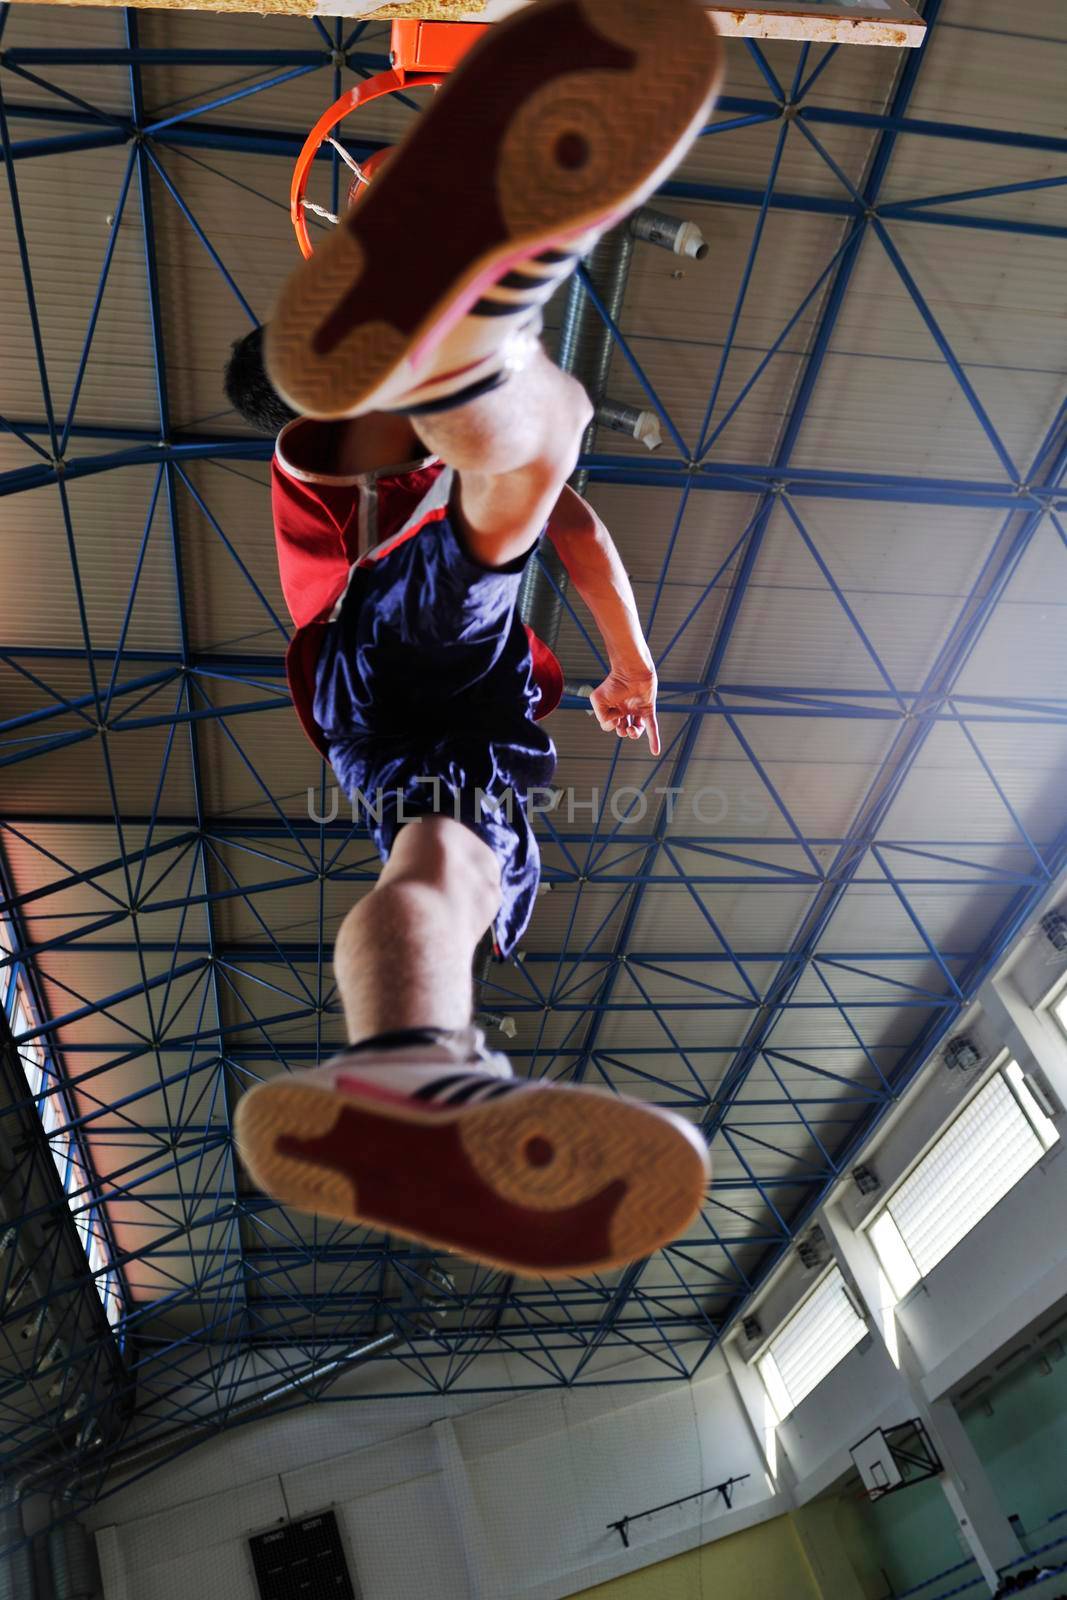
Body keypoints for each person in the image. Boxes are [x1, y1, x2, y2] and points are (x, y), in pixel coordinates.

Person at [233, 0, 723, 1278]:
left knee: (539, 434)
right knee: (440, 867)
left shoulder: (337, 484)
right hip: (405, 716)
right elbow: (568, 533)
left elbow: (531, 520)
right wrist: (627, 661)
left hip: (397, 657)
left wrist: (631, 659)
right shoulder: (352, 482)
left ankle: (471, 358)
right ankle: (407, 1063)